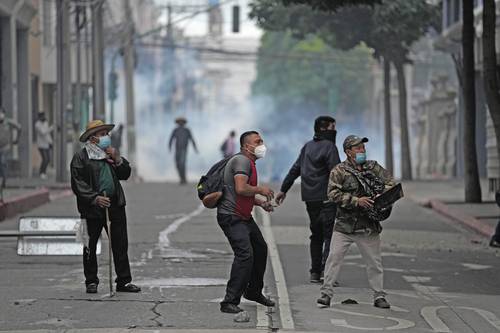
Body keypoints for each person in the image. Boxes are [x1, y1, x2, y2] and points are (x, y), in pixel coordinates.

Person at [317, 135, 393, 309]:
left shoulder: (373, 167)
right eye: (357, 148)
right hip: (344, 225)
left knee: (374, 262)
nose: (362, 151)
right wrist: (355, 201)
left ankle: (379, 296)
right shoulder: (339, 171)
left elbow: (391, 183)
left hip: (367, 226)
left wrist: (382, 196)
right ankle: (326, 294)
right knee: (333, 258)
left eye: (362, 147)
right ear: (348, 152)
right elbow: (333, 194)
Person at [70, 120, 141, 294]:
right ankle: (91, 281)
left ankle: (123, 281)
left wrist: (118, 159)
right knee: (90, 245)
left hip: (114, 205)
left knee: (120, 243)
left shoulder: (110, 154)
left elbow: (125, 174)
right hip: (91, 208)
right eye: (102, 134)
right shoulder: (81, 157)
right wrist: (94, 198)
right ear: (92, 138)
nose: (106, 137)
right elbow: (77, 183)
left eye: (106, 134)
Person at [275, 116, 341, 283]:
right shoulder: (330, 147)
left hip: (310, 198)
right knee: (328, 236)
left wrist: (284, 189)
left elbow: (295, 169)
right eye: (333, 127)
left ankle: (314, 272)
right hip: (327, 198)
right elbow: (337, 173)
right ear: (324, 129)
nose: (335, 130)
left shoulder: (307, 147)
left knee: (316, 234)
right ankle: (327, 273)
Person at [217, 131, 276, 314]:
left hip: (243, 216)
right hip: (232, 217)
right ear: (246, 146)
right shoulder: (242, 161)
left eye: (261, 141)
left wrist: (260, 203)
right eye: (257, 142)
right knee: (245, 255)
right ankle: (229, 301)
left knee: (260, 248)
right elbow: (241, 188)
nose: (261, 144)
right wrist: (262, 190)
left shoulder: (249, 162)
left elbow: (239, 193)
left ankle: (253, 291)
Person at [169, 117, 198, 184]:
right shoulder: (175, 130)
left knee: (182, 164)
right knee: (177, 164)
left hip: (184, 150)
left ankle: (183, 179)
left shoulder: (187, 130)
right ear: (178, 123)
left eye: (182, 122)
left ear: (184, 123)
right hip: (177, 150)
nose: (180, 123)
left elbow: (192, 139)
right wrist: (170, 147)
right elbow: (171, 139)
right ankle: (181, 178)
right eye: (179, 122)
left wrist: (195, 148)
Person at [0, 108, 21, 189]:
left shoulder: (8, 122)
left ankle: (4, 180)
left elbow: (19, 127)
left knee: (2, 162)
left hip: (5, 146)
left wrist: (16, 139)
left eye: (1, 113)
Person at [34, 112, 53, 179]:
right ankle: (42, 173)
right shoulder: (37, 125)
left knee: (48, 159)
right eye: (42, 116)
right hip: (41, 145)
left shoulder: (45, 123)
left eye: (44, 116)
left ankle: (43, 172)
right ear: (39, 117)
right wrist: (51, 128)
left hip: (47, 144)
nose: (43, 117)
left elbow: (47, 135)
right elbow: (43, 132)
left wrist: (51, 142)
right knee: (45, 159)